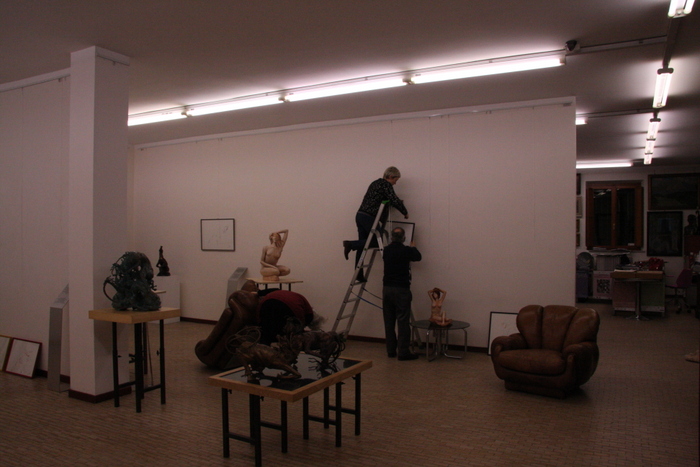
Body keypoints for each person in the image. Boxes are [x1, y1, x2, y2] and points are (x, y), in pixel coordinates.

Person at [343, 167, 409, 282]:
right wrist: (405, 212)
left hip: (360, 215)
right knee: (375, 242)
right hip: (369, 217)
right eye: (395, 180)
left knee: (362, 244)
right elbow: (394, 199)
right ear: (390, 177)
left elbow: (382, 200)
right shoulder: (386, 185)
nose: (395, 183)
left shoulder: (375, 183)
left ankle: (358, 274)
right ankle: (350, 244)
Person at [382, 226, 421, 360]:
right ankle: (403, 352)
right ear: (404, 238)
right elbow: (418, 257)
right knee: (403, 321)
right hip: (402, 289)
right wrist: (413, 247)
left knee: (389, 321)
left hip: (387, 288)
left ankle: (391, 350)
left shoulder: (386, 250)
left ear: (391, 237)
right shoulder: (406, 250)